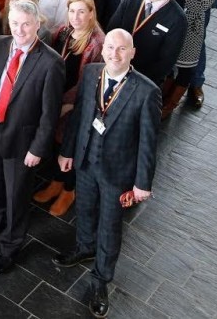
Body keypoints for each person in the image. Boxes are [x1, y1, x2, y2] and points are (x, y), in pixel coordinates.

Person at [54, 29, 158, 319]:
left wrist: (141, 184)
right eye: (110, 47)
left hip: (118, 172)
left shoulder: (147, 91)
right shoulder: (91, 74)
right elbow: (80, 115)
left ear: (132, 53)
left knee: (110, 228)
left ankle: (100, 280)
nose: (114, 53)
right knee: (85, 211)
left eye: (121, 49)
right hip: (87, 162)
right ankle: (85, 247)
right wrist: (68, 151)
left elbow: (149, 141)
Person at [0, 0, 63, 273]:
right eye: (15, 23)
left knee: (16, 195)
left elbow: (50, 114)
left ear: (38, 24)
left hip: (24, 140)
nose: (20, 29)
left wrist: (37, 148)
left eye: (26, 23)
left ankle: (11, 245)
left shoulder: (51, 62)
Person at [34, 0, 104, 217]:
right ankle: (56, 181)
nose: (76, 17)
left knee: (72, 146)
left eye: (82, 11)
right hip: (57, 97)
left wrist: (66, 104)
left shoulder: (97, 42)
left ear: (91, 13)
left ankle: (68, 190)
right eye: (72, 11)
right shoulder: (64, 31)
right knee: (58, 143)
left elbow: (90, 82)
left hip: (79, 103)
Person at [106, 0, 185, 85]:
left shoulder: (178, 18)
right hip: (113, 69)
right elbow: (110, 33)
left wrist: (133, 79)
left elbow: (166, 62)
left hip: (142, 81)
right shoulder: (130, 1)